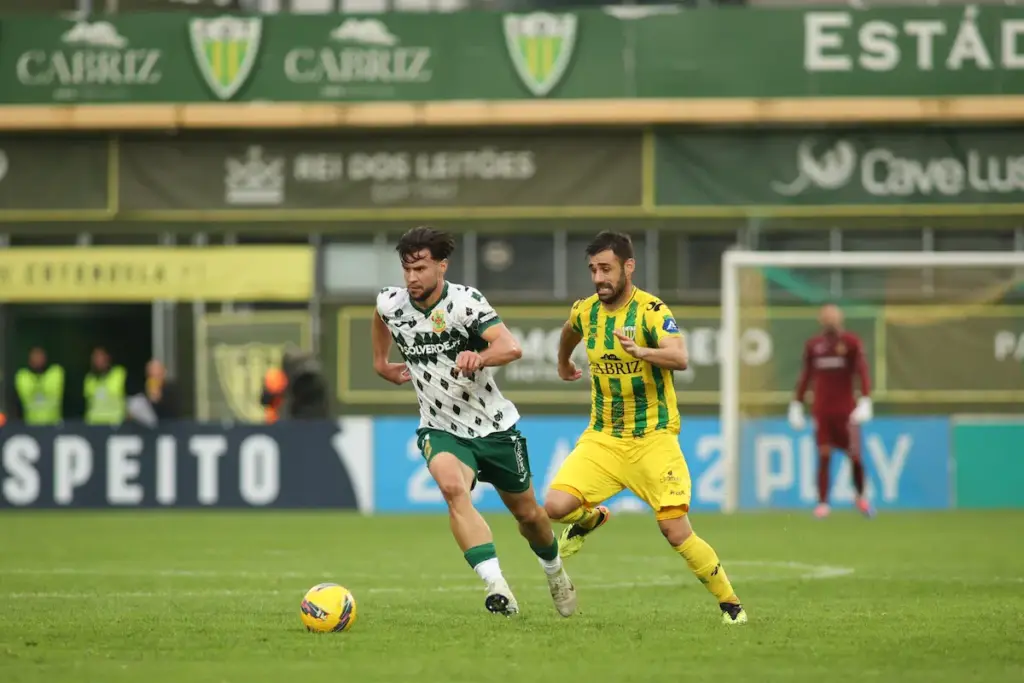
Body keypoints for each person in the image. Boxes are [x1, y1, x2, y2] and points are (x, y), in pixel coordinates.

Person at [543, 231, 748, 626]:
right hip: (603, 437)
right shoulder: (587, 311)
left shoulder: (652, 311)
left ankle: (731, 605)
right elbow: (570, 329)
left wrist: (643, 352)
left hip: (653, 438)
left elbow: (681, 357)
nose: (599, 278)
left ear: (628, 267)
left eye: (606, 269)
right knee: (554, 507)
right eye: (593, 270)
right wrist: (563, 362)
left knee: (674, 530)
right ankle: (591, 519)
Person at [372, 225, 576, 618]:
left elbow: (510, 346)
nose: (412, 277)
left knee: (529, 515)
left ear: (442, 267)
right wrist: (381, 363)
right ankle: (497, 586)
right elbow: (380, 317)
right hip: (440, 425)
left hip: (493, 426)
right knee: (453, 490)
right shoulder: (391, 303)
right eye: (406, 269)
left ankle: (554, 571)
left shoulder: (465, 303)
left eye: (420, 268)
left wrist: (479, 357)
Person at [788, 303, 874, 519]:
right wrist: (797, 404)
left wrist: (865, 399)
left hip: (847, 411)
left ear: (840, 318)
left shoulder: (851, 343)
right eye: (826, 317)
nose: (830, 320)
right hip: (822, 411)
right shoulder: (814, 346)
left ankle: (861, 496)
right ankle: (823, 503)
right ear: (821, 320)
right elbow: (805, 375)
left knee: (854, 456)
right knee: (824, 455)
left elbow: (862, 371)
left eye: (833, 316)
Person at [13, 347, 65, 425]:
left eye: (40, 356)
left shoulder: (56, 373)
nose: (38, 360)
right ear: (29, 360)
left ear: (45, 358)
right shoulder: (22, 376)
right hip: (31, 425)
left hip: (54, 425)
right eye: (35, 357)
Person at [84, 347, 127, 425]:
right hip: (93, 424)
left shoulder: (119, 374)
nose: (98, 361)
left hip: (115, 424)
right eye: (95, 358)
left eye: (100, 357)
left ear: (107, 358)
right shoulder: (89, 379)